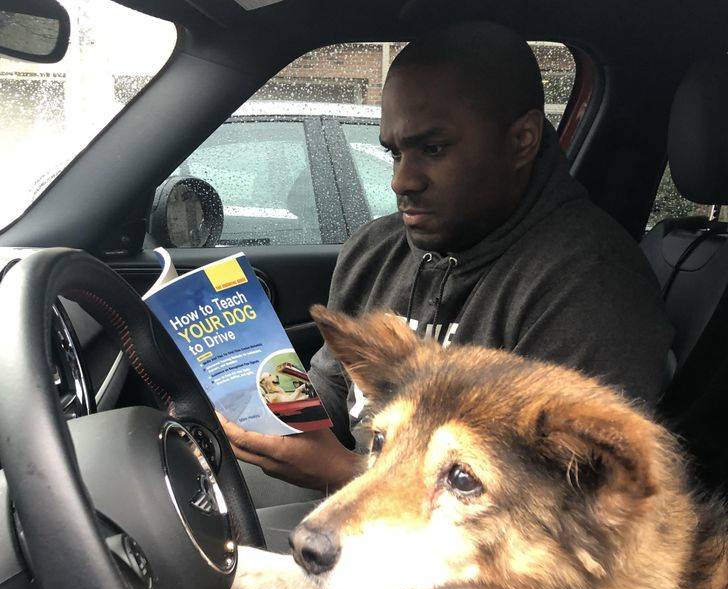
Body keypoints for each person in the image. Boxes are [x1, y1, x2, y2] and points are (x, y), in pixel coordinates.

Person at [221, 22, 674, 503]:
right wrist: (263, 409)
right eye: (395, 153)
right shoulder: (373, 250)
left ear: (521, 140)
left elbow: (558, 511)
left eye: (432, 149)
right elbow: (333, 392)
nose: (401, 181)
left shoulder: (592, 290)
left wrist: (343, 472)